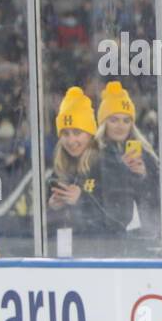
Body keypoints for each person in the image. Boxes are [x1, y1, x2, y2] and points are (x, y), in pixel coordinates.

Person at [95, 80, 159, 241]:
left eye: (126, 120)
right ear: (104, 123)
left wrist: (143, 175)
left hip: (141, 235)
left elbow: (157, 198)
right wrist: (121, 169)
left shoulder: (144, 154)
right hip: (103, 235)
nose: (120, 126)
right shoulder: (93, 155)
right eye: (114, 120)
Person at [48, 87, 110, 240]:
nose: (71, 141)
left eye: (77, 133)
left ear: (90, 135)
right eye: (65, 133)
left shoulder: (106, 164)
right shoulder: (57, 167)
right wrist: (52, 207)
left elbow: (118, 218)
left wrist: (82, 200)